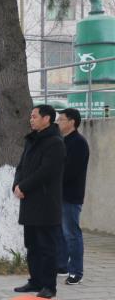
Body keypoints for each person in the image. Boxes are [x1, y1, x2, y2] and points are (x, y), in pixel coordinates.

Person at [13, 105, 66, 299]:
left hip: (45, 203)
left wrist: (24, 186)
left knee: (47, 247)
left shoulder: (55, 143)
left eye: (34, 116)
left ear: (47, 119)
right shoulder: (32, 140)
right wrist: (16, 185)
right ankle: (35, 281)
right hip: (29, 201)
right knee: (32, 245)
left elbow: (46, 171)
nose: (31, 120)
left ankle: (49, 286)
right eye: (31, 116)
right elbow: (21, 166)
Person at [57, 108, 89, 285]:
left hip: (71, 195)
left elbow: (70, 171)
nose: (58, 122)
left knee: (71, 234)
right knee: (60, 232)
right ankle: (62, 265)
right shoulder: (63, 141)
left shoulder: (78, 143)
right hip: (58, 194)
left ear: (72, 122)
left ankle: (76, 271)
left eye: (61, 119)